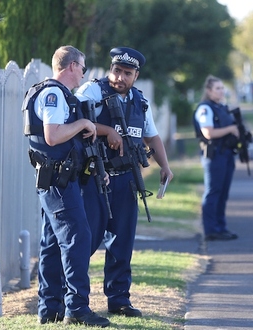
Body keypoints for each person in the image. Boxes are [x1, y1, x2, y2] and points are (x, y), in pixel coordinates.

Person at [75, 47, 174, 317]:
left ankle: (119, 299)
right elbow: (75, 121)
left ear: (136, 75)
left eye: (126, 73)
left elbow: (151, 137)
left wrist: (165, 166)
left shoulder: (140, 102)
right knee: (87, 240)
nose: (119, 77)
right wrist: (106, 131)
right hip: (94, 177)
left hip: (127, 180)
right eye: (116, 71)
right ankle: (75, 300)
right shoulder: (92, 92)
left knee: (122, 242)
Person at [22, 45, 110, 327]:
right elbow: (52, 135)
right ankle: (77, 309)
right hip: (58, 183)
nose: (84, 74)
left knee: (50, 243)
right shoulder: (53, 93)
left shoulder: (58, 95)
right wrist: (83, 122)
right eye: (82, 68)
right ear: (71, 66)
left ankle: (49, 309)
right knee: (77, 238)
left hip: (59, 180)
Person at [192, 75, 240, 241]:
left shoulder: (221, 107)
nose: (221, 91)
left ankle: (221, 228)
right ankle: (211, 230)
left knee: (223, 193)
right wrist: (231, 129)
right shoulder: (205, 109)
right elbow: (208, 133)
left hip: (226, 154)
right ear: (208, 91)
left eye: (222, 88)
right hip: (214, 155)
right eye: (217, 88)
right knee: (213, 192)